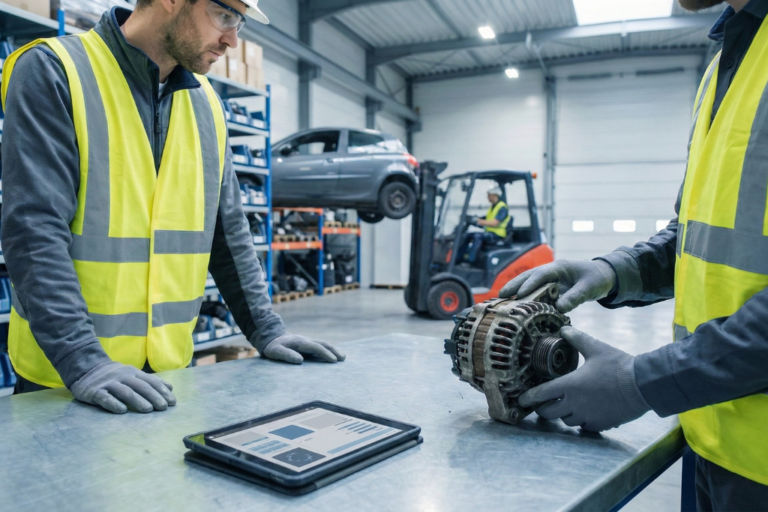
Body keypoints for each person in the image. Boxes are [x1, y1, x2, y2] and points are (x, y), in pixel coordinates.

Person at [0, 0, 346, 415]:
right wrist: (83, 361)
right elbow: (33, 229)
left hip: (166, 379)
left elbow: (228, 231)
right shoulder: (57, 71)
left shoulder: (209, 108)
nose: (232, 40)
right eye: (225, 17)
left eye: (238, 24)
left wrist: (266, 329)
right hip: (61, 382)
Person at [500, 0, 768, 509]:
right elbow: (701, 232)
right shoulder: (727, 61)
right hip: (711, 440)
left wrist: (642, 382)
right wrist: (615, 270)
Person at [458, 187, 511, 265]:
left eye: (489, 195)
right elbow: (486, 219)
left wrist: (477, 220)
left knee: (477, 236)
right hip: (490, 232)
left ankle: (470, 261)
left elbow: (494, 223)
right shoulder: (493, 207)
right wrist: (474, 219)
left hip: (497, 235)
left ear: (495, 195)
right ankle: (459, 258)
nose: (487, 197)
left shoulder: (502, 208)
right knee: (468, 235)